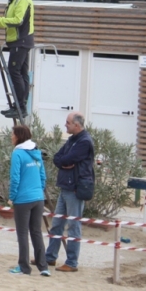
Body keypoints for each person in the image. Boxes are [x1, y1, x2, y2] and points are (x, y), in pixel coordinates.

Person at [45, 112, 95, 272]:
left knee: (73, 226)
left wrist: (64, 162)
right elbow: (58, 158)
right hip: (65, 186)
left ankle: (72, 262)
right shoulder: (72, 140)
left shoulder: (84, 142)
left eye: (68, 122)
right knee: (57, 224)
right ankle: (50, 257)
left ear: (76, 125)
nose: (65, 125)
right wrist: (63, 162)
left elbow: (67, 159)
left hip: (75, 188)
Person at [7, 124, 48, 276]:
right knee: (36, 232)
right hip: (38, 198)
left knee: (23, 233)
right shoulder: (36, 152)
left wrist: (12, 197)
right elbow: (43, 175)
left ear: (18, 136)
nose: (11, 137)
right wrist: (39, 191)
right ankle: (43, 267)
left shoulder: (17, 154)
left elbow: (15, 177)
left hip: (23, 199)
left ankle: (24, 267)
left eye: (13, 134)